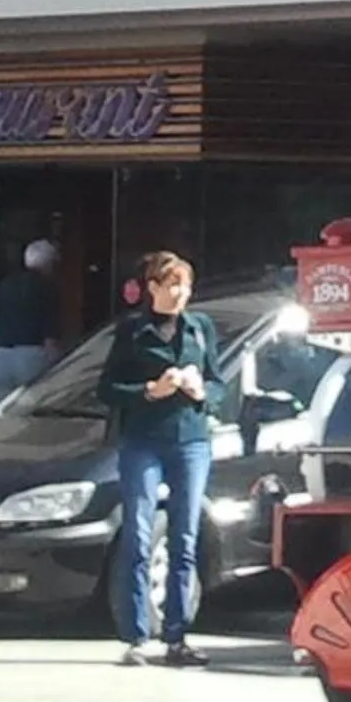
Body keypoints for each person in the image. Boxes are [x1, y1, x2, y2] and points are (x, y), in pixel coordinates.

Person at [100, 250, 219, 667]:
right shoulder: (132, 331)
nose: (180, 294)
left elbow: (218, 382)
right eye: (171, 285)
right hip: (143, 440)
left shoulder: (200, 329)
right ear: (151, 288)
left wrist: (203, 392)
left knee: (185, 536)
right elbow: (107, 388)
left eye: (184, 285)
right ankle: (135, 636)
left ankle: (178, 635)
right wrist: (150, 390)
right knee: (138, 532)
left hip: (191, 440)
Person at [0, 239, 62, 402]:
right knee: (31, 418)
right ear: (48, 264)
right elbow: (50, 339)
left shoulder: (4, 285)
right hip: (31, 358)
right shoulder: (47, 288)